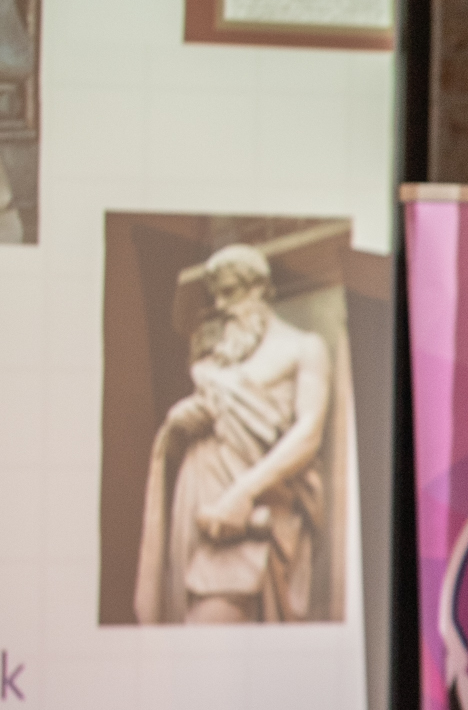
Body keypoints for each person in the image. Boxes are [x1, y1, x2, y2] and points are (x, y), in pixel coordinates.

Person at [133, 243, 332, 624]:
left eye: (230, 292)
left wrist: (242, 493)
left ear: (260, 290)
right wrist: (177, 425)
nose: (222, 305)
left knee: (213, 619)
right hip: (199, 508)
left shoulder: (303, 347)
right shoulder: (216, 362)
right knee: (187, 619)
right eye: (216, 296)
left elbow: (308, 433)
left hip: (250, 513)